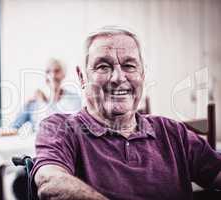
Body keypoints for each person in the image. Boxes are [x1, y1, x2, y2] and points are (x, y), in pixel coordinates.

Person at [30, 26, 221, 200]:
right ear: (82, 77)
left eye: (129, 66)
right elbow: (51, 181)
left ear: (142, 75)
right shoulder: (58, 128)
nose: (118, 77)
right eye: (103, 66)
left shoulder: (172, 132)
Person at [10, 58, 81, 132]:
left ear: (63, 74)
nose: (52, 76)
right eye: (48, 72)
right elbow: (14, 127)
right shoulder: (34, 103)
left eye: (57, 71)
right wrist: (26, 104)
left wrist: (42, 103)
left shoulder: (74, 99)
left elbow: (58, 129)